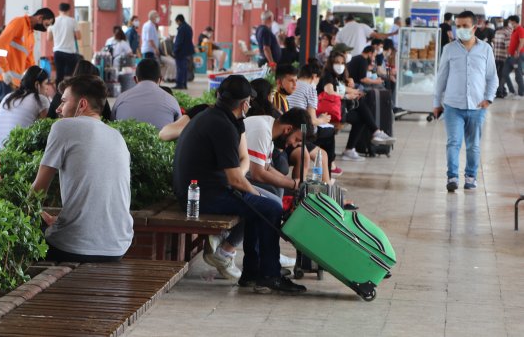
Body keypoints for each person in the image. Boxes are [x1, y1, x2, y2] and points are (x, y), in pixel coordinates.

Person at [173, 74, 306, 294]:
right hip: (202, 196)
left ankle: (252, 274)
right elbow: (236, 179)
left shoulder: (217, 117)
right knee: (269, 207)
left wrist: (254, 197)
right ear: (244, 104)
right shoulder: (221, 125)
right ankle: (270, 275)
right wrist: (256, 195)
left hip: (201, 190)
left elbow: (240, 168)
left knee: (259, 207)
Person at [33, 74, 134, 262]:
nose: (58, 108)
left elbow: (37, 192)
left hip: (72, 247)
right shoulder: (117, 136)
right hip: (118, 247)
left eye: (63, 101)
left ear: (82, 105)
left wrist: (36, 212)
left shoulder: (63, 127)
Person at [433, 10, 498, 192]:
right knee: (453, 142)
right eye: (458, 26)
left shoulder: (486, 49)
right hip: (453, 106)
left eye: (465, 26)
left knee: (473, 145)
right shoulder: (449, 49)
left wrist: (488, 99)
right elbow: (441, 78)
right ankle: (452, 177)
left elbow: (493, 77)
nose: (460, 29)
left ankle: (471, 176)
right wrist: (437, 102)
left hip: (477, 107)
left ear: (474, 27)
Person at [318, 51, 395, 161]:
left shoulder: (335, 76)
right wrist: (347, 96)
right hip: (328, 112)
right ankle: (375, 132)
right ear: (331, 63)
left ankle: (352, 148)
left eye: (342, 63)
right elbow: (329, 92)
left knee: (361, 116)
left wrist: (355, 91)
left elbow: (340, 88)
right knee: (361, 110)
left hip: (336, 110)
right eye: (337, 62)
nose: (339, 65)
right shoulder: (327, 75)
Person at [0, 7, 55, 102]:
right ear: (40, 18)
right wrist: (5, 70)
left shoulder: (30, 35)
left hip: (16, 84)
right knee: (7, 115)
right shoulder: (19, 22)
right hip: (3, 79)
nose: (45, 29)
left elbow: (29, 62)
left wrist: (38, 78)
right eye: (46, 24)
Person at [0, 66, 53, 151]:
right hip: (17, 155)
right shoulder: (40, 99)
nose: (47, 88)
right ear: (37, 85)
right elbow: (48, 128)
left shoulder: (8, 97)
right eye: (46, 83)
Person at [111, 59, 181, 130]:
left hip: (124, 141)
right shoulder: (171, 101)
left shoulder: (121, 98)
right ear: (160, 79)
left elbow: (112, 125)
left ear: (135, 79)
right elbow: (180, 129)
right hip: (161, 141)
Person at [47, 60, 112, 120]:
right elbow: (109, 120)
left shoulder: (58, 95)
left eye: (64, 101)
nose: (58, 110)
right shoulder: (99, 99)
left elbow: (48, 118)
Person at [48, 2, 80, 85]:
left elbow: (49, 38)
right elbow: (78, 36)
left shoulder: (52, 21)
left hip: (58, 52)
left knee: (59, 75)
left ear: (59, 10)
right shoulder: (73, 21)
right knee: (70, 76)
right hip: (70, 52)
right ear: (68, 10)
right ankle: (70, 93)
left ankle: (59, 94)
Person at [493, 19, 515, 98]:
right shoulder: (508, 33)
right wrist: (509, 57)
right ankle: (500, 91)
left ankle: (498, 90)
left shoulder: (498, 32)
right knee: (503, 75)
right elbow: (508, 46)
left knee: (497, 74)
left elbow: (494, 43)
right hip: (504, 57)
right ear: (509, 24)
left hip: (496, 56)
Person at [173, 14, 194, 90]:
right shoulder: (189, 27)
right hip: (187, 52)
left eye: (177, 22)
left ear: (179, 20)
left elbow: (179, 41)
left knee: (180, 68)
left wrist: (175, 51)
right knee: (184, 68)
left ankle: (179, 84)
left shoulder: (181, 28)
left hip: (180, 52)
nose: (177, 24)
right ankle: (184, 84)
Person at [505, 15, 524, 98]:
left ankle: (521, 93)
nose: (509, 23)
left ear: (514, 21)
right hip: (510, 56)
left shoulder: (520, 29)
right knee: (504, 73)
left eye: (510, 21)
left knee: (518, 74)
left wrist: (517, 51)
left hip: (517, 56)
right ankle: (512, 91)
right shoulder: (514, 30)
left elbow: (522, 41)